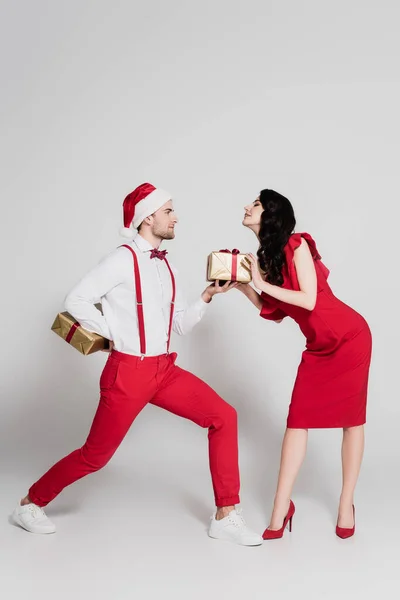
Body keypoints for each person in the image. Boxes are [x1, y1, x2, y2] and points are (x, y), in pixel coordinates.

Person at [12, 183, 262, 546]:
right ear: (148, 218)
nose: (176, 217)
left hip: (163, 370)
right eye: (169, 211)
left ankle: (226, 514)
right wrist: (111, 334)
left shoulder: (168, 268)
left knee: (224, 416)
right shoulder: (120, 259)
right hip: (127, 373)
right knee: (95, 456)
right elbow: (76, 299)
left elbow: (179, 326)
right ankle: (30, 503)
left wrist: (207, 296)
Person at [238, 188, 372, 539]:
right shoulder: (267, 260)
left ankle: (346, 503)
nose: (246, 207)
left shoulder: (298, 244)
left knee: (351, 420)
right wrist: (241, 287)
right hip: (318, 348)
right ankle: (281, 508)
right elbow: (276, 312)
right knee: (297, 420)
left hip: (351, 338)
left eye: (254, 204)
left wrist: (259, 283)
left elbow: (309, 300)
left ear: (270, 213)